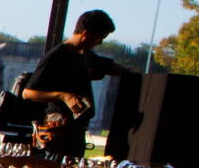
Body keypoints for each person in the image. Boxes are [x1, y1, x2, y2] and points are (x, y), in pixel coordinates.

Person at [22, 9, 127, 159]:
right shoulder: (56, 56)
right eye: (98, 39)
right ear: (86, 34)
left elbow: (107, 66)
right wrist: (63, 96)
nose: (99, 43)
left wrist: (129, 71)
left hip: (77, 131)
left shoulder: (86, 56)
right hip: (58, 130)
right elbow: (28, 93)